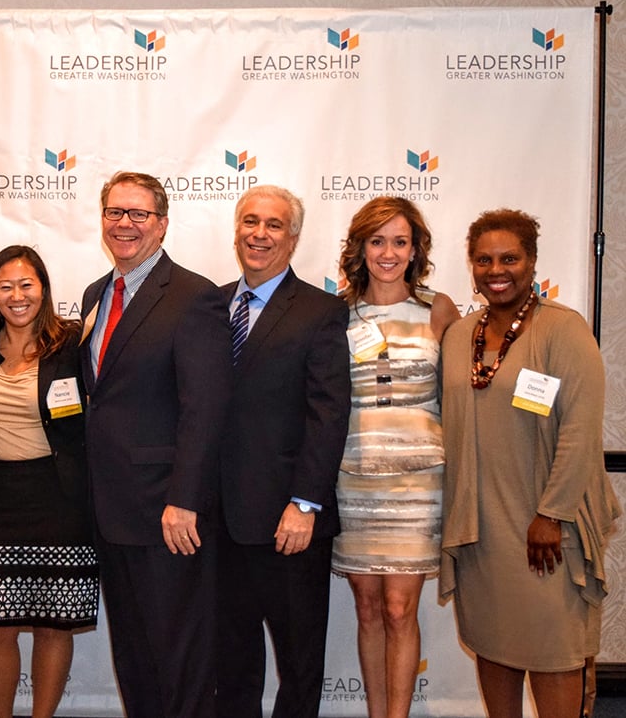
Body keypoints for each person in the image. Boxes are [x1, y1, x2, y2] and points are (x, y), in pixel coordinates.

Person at [440, 209, 621, 718]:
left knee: (553, 654)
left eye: (509, 258)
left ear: (532, 262)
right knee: (493, 650)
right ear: (471, 267)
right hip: (481, 531)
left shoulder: (563, 331)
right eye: (483, 259)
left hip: (543, 531)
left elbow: (582, 432)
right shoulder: (459, 336)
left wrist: (552, 514)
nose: (496, 270)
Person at [80, 171, 230, 718]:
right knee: (134, 656)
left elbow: (205, 409)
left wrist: (185, 499)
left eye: (138, 214)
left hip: (169, 513)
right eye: (115, 212)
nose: (125, 224)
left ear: (162, 225)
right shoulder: (96, 294)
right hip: (112, 509)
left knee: (180, 660)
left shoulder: (195, 297)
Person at [216, 185, 351, 718]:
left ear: (293, 238)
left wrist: (306, 504)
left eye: (273, 225)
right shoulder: (211, 304)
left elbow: (328, 414)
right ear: (235, 232)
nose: (259, 234)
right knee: (231, 662)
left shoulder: (319, 311)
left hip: (287, 524)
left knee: (298, 664)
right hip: (218, 523)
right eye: (250, 222)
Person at [331, 197, 460, 718]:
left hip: (418, 483)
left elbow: (460, 396)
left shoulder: (439, 309)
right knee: (366, 608)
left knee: (400, 607)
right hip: (352, 478)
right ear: (361, 248)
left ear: (415, 250)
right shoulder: (336, 312)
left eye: (400, 242)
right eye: (377, 241)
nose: (388, 253)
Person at [0, 245, 99, 718]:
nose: (17, 296)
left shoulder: (72, 345)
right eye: (6, 286)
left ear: (43, 288)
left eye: (27, 284)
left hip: (61, 497)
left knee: (53, 624)